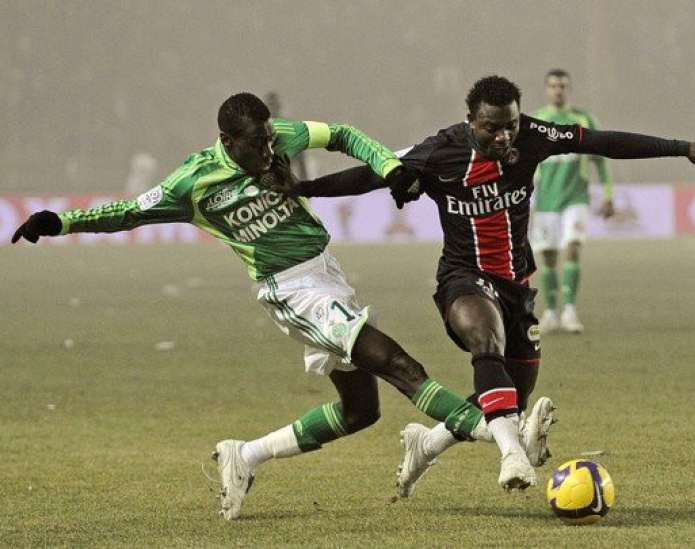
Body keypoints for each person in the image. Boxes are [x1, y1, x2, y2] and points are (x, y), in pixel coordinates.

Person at [10, 92, 554, 520]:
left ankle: (244, 455)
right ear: (228, 141)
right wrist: (60, 221)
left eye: (271, 141)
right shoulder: (193, 182)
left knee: (361, 412)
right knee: (400, 365)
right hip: (292, 292)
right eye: (257, 146)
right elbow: (129, 211)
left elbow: (341, 134)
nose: (270, 153)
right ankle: (506, 442)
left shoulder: (280, 136)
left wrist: (388, 166)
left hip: (328, 276)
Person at [299, 75, 695, 498]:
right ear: (471, 121)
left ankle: (427, 444)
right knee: (485, 343)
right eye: (492, 128)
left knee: (513, 397)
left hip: (516, 286)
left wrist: (681, 148)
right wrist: (303, 189)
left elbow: (601, 142)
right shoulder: (440, 151)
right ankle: (512, 456)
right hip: (463, 278)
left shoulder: (533, 136)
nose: (504, 136)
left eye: (511, 125)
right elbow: (371, 175)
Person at [530, 69, 613, 334]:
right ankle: (551, 312)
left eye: (563, 86)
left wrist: (608, 194)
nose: (558, 90)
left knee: (573, 247)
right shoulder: (536, 121)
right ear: (546, 89)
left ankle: (569, 311)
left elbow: (601, 158)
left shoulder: (583, 119)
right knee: (548, 255)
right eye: (553, 85)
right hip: (545, 199)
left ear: (569, 88)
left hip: (576, 197)